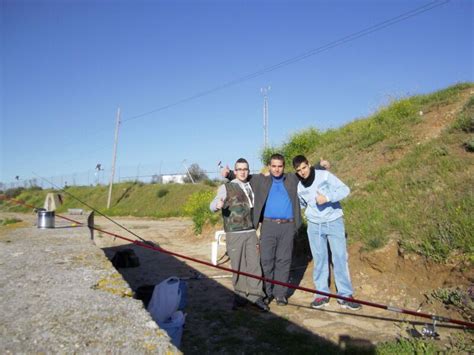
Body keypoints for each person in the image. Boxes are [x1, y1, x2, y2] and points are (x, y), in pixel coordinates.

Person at [223, 154, 329, 306]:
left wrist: (320, 165)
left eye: (280, 166)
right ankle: (267, 293)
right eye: (274, 166)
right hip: (268, 226)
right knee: (266, 260)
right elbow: (244, 176)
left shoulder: (292, 178)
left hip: (288, 226)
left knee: (284, 261)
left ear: (283, 167)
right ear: (269, 167)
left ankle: (280, 294)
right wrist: (228, 174)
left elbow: (305, 173)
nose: (277, 169)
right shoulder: (261, 180)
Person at [292, 155, 361, 311]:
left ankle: (345, 295)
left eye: (304, 167)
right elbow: (303, 204)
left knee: (340, 258)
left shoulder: (325, 175)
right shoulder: (300, 187)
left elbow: (345, 189)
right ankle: (321, 294)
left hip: (334, 222)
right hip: (314, 226)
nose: (302, 172)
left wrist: (327, 198)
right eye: (299, 170)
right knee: (320, 260)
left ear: (309, 165)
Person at [210, 158, 269, 312]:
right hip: (234, 233)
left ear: (248, 171)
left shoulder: (252, 185)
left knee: (254, 265)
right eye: (240, 169)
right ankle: (240, 297)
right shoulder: (226, 187)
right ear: (234, 171)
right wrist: (217, 205)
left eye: (245, 169)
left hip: (251, 232)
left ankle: (257, 297)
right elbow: (212, 204)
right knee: (238, 266)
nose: (243, 172)